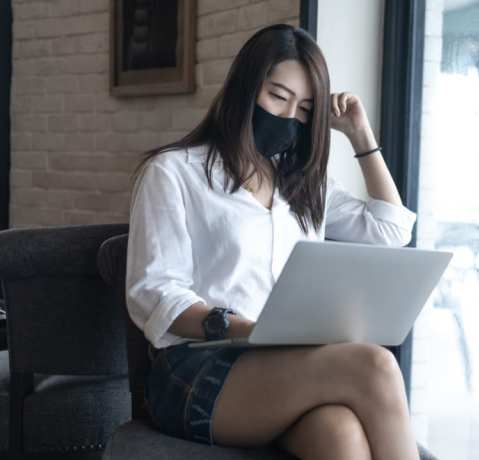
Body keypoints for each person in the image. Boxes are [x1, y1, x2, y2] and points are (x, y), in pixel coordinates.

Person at [125, 24, 420, 460]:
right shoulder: (173, 173)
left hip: (286, 364)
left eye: (304, 108)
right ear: (246, 88)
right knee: (375, 364)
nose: (288, 117)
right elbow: (154, 292)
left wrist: (361, 136)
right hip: (197, 367)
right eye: (278, 97)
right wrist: (245, 328)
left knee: (341, 435)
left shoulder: (302, 186)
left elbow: (391, 232)